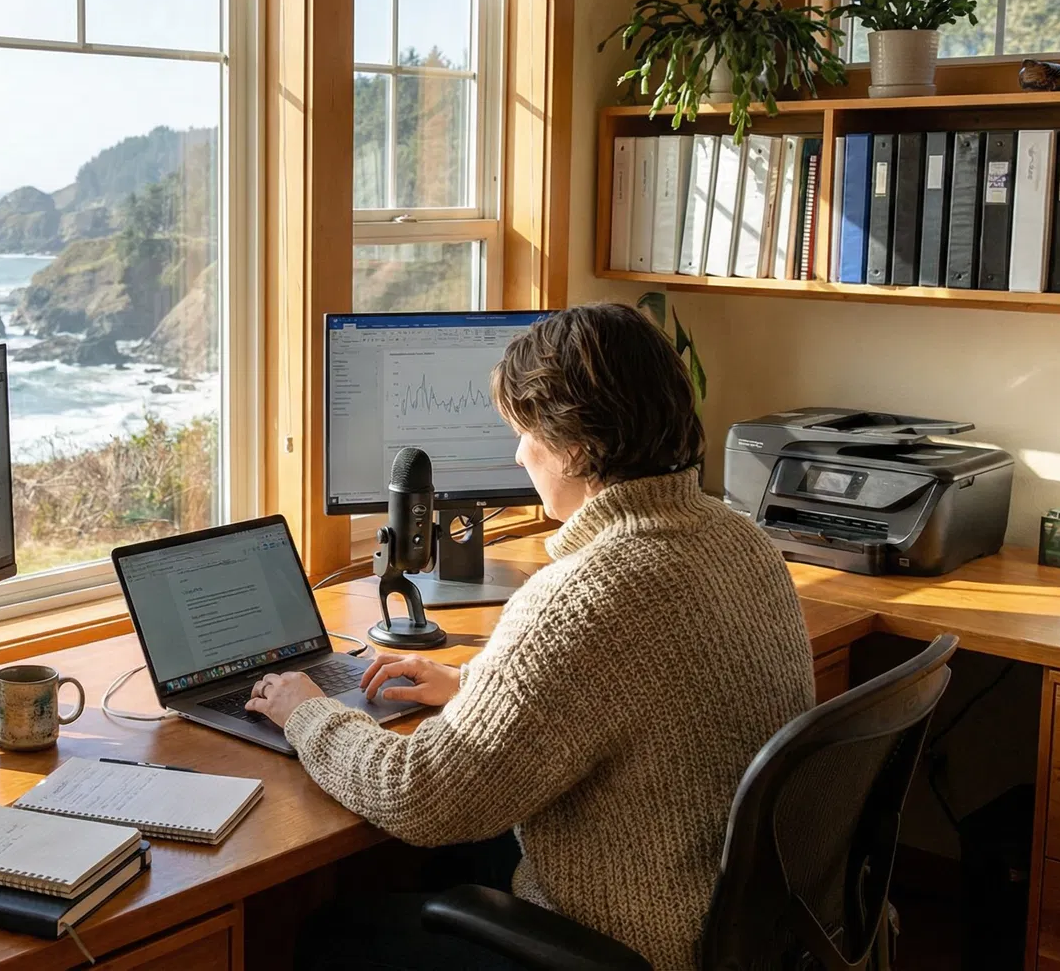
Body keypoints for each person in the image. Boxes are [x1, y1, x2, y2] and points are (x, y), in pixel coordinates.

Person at [245, 302, 815, 970]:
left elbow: (420, 797)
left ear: (574, 447)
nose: (518, 453)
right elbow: (655, 691)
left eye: (525, 432)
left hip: (640, 944)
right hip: (738, 922)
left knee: (332, 933)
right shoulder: (738, 536)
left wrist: (306, 713)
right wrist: (475, 686)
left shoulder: (584, 595)